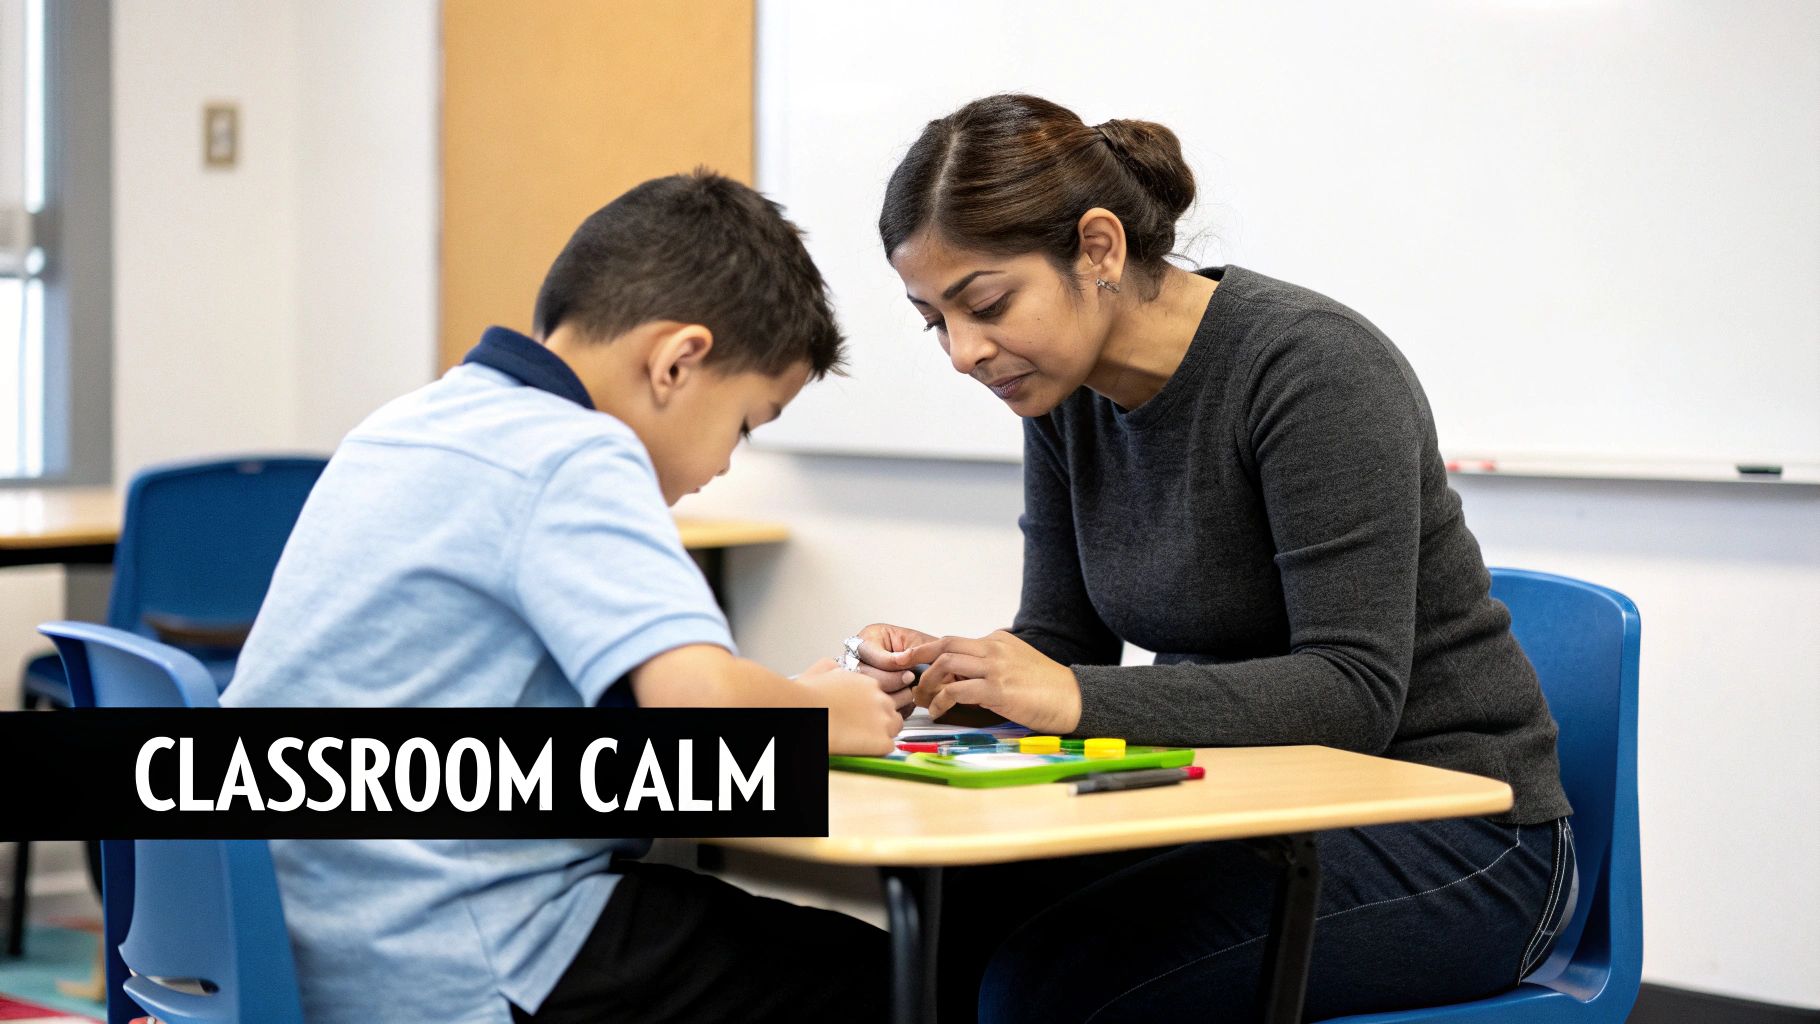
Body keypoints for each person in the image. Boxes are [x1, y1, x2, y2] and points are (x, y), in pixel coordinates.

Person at [851, 94, 1579, 1022]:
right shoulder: (1061, 388)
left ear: (1100, 249)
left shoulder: (1310, 369)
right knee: (964, 920)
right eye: (933, 322)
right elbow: (1060, 638)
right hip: (1250, 805)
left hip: (1459, 834)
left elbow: (1353, 689)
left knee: (1044, 991)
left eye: (986, 304)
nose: (962, 353)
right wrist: (951, 675)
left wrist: (1067, 695)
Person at [223, 171, 912, 1024]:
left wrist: (786, 697)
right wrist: (826, 712)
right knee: (897, 980)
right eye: (742, 423)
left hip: (293, 941)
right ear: (677, 361)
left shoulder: (406, 423)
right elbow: (700, 714)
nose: (727, 463)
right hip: (455, 954)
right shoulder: (574, 455)